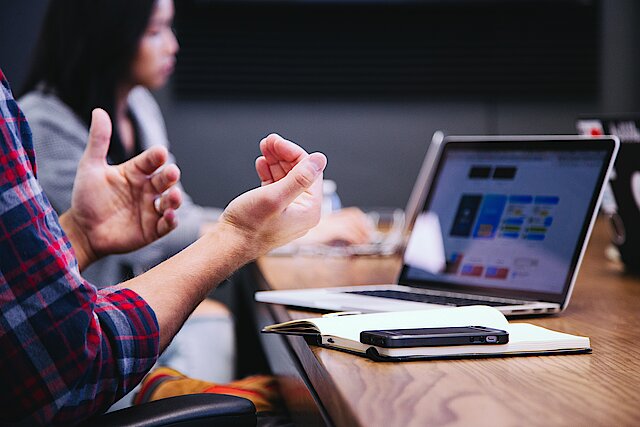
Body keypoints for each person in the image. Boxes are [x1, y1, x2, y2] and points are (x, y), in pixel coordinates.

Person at [0, 67, 327, 424]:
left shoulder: (140, 104)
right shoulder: (40, 118)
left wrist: (80, 235)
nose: (172, 44)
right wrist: (239, 236)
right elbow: (71, 363)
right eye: (156, 30)